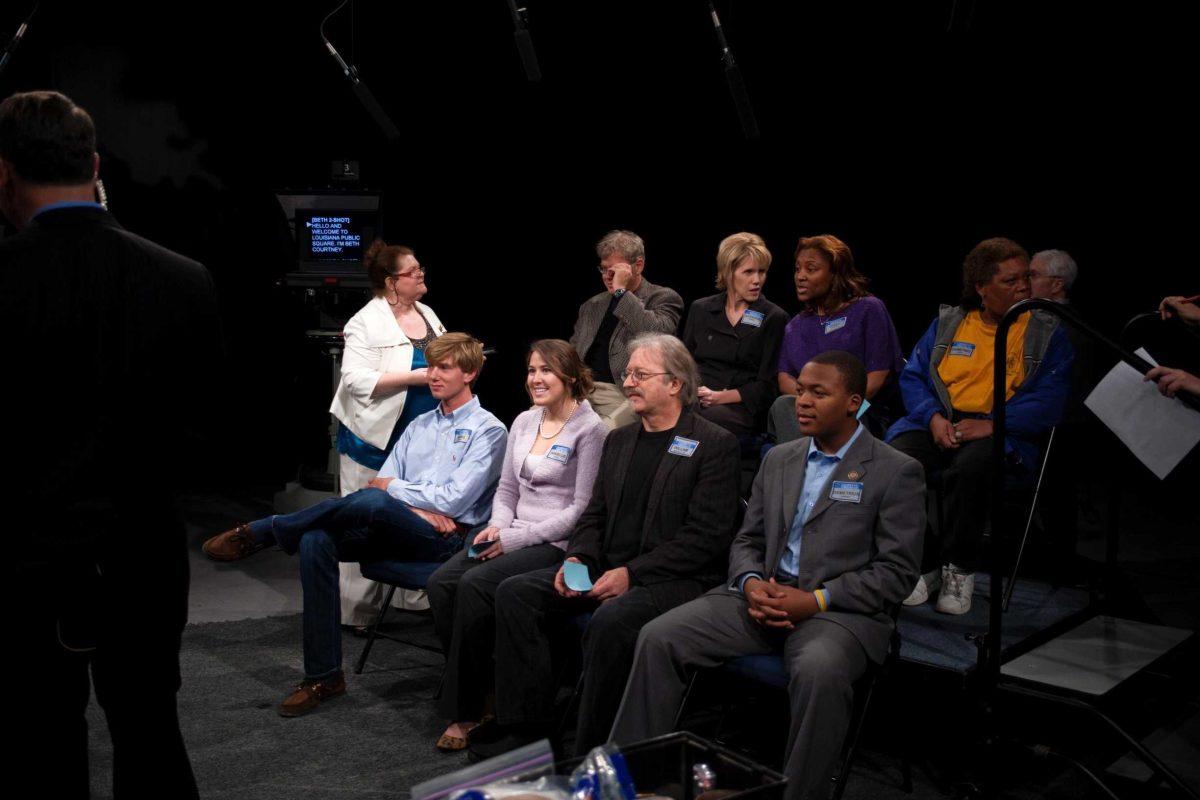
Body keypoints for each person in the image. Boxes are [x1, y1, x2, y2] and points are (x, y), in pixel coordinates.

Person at [3, 90, 222, 797]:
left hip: (27, 566)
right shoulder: (185, 280)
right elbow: (204, 437)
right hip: (146, 559)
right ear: (95, 165)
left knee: (37, 745)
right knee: (151, 736)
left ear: (3, 175)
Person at [610, 351, 924, 800]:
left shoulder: (896, 471)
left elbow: (897, 574)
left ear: (854, 401)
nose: (804, 402)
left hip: (840, 612)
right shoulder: (779, 457)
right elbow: (746, 540)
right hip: (761, 595)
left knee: (819, 670)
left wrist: (816, 600)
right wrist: (751, 582)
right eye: (800, 392)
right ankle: (633, 782)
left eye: (820, 393)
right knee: (660, 636)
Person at [203, 333, 506, 715]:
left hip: (445, 541)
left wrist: (398, 493)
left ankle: (266, 530)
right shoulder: (419, 426)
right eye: (430, 367)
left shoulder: (490, 431)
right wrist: (412, 503)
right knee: (315, 539)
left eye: (443, 368)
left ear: (470, 373)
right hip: (403, 527)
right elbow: (383, 484)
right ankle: (324, 676)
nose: (433, 375)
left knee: (376, 499)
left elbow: (451, 500)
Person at [472, 334, 741, 759]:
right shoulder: (619, 440)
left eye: (641, 374)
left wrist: (632, 574)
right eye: (628, 373)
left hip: (673, 580)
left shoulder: (714, 444)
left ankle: (590, 750)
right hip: (607, 568)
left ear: (675, 384)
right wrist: (579, 557)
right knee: (516, 594)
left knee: (612, 621)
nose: (629, 382)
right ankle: (529, 731)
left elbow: (705, 538)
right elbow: (593, 515)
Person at [426, 339, 607, 751]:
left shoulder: (591, 429)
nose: (536, 379)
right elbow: (507, 489)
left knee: (475, 585)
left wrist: (515, 538)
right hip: (510, 531)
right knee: (442, 583)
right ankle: (485, 686)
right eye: (531, 370)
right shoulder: (525, 421)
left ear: (570, 377)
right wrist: (497, 528)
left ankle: (466, 710)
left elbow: (582, 510)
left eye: (546, 370)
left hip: (554, 542)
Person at [886, 237, 1073, 614]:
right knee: (895, 462)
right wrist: (933, 417)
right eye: (1010, 281)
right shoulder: (950, 323)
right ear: (981, 288)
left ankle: (959, 568)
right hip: (939, 423)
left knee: (970, 469)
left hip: (1003, 435)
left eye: (1025, 278)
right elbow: (914, 376)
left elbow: (1051, 399)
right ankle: (924, 564)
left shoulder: (1047, 331)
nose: (1023, 287)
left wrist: (993, 425)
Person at [330, 239, 448, 628]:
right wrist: (415, 378)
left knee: (411, 517)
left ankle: (410, 598)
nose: (421, 275)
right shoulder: (365, 321)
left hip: (419, 440)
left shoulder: (427, 313)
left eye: (420, 269)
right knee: (361, 520)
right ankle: (357, 611)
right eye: (412, 272)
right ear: (391, 282)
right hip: (374, 438)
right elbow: (355, 379)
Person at [770, 234, 904, 442]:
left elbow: (878, 375)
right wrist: (814, 401)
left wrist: (836, 406)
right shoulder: (795, 326)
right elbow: (785, 378)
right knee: (782, 405)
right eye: (797, 269)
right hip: (809, 413)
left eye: (811, 269)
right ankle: (803, 468)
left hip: (859, 410)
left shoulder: (868, 309)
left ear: (835, 273)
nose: (800, 276)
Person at [570, 229, 684, 429]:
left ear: (638, 265)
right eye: (603, 269)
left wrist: (621, 293)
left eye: (614, 271)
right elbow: (572, 352)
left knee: (602, 432)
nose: (607, 276)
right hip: (580, 389)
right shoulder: (591, 305)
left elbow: (655, 334)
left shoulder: (663, 298)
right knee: (533, 419)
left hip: (624, 391)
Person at [681, 232, 787, 435]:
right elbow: (685, 365)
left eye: (762, 272)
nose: (757, 280)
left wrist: (720, 397)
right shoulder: (701, 309)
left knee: (701, 421)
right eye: (748, 272)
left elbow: (768, 386)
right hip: (697, 398)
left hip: (740, 407)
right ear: (728, 272)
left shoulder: (774, 317)